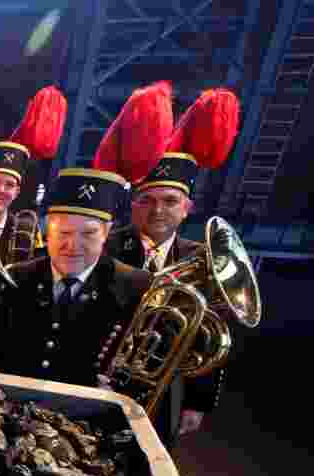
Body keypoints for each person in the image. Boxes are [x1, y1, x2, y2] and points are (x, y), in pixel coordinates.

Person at [105, 87, 241, 446]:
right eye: (146, 200)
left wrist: (197, 403)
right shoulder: (104, 247)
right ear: (132, 205)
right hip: (99, 381)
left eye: (170, 201)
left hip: (163, 393)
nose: (158, 210)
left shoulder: (204, 259)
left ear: (187, 208)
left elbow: (211, 339)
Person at [0, 167, 152, 385]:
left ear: (106, 233)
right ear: (48, 231)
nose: (73, 246)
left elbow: (144, 370)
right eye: (64, 232)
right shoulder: (15, 278)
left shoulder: (135, 286)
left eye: (88, 233)